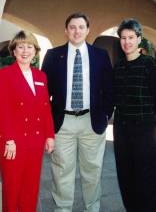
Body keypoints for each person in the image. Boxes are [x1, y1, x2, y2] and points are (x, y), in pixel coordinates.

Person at [42, 12, 113, 212]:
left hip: (92, 120)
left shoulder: (100, 55)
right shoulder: (53, 56)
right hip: (62, 122)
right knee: (62, 169)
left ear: (87, 30)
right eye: (72, 27)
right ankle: (63, 208)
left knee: (93, 169)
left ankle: (92, 207)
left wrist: (106, 113)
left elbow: (109, 88)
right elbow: (43, 93)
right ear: (66, 31)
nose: (77, 31)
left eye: (81, 27)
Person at [0, 30, 55, 212]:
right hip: (13, 143)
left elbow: (45, 108)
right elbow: (1, 109)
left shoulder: (40, 77)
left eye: (29, 46)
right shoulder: (4, 75)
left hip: (35, 141)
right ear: (13, 51)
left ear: (35, 52)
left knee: (31, 190)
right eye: (20, 47)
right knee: (12, 191)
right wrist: (9, 139)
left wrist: (50, 135)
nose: (25, 51)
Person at [113, 18, 156, 212]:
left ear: (139, 39)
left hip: (145, 130)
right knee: (125, 175)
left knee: (145, 176)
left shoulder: (149, 65)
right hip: (121, 129)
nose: (127, 42)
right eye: (123, 37)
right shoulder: (119, 67)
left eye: (131, 37)